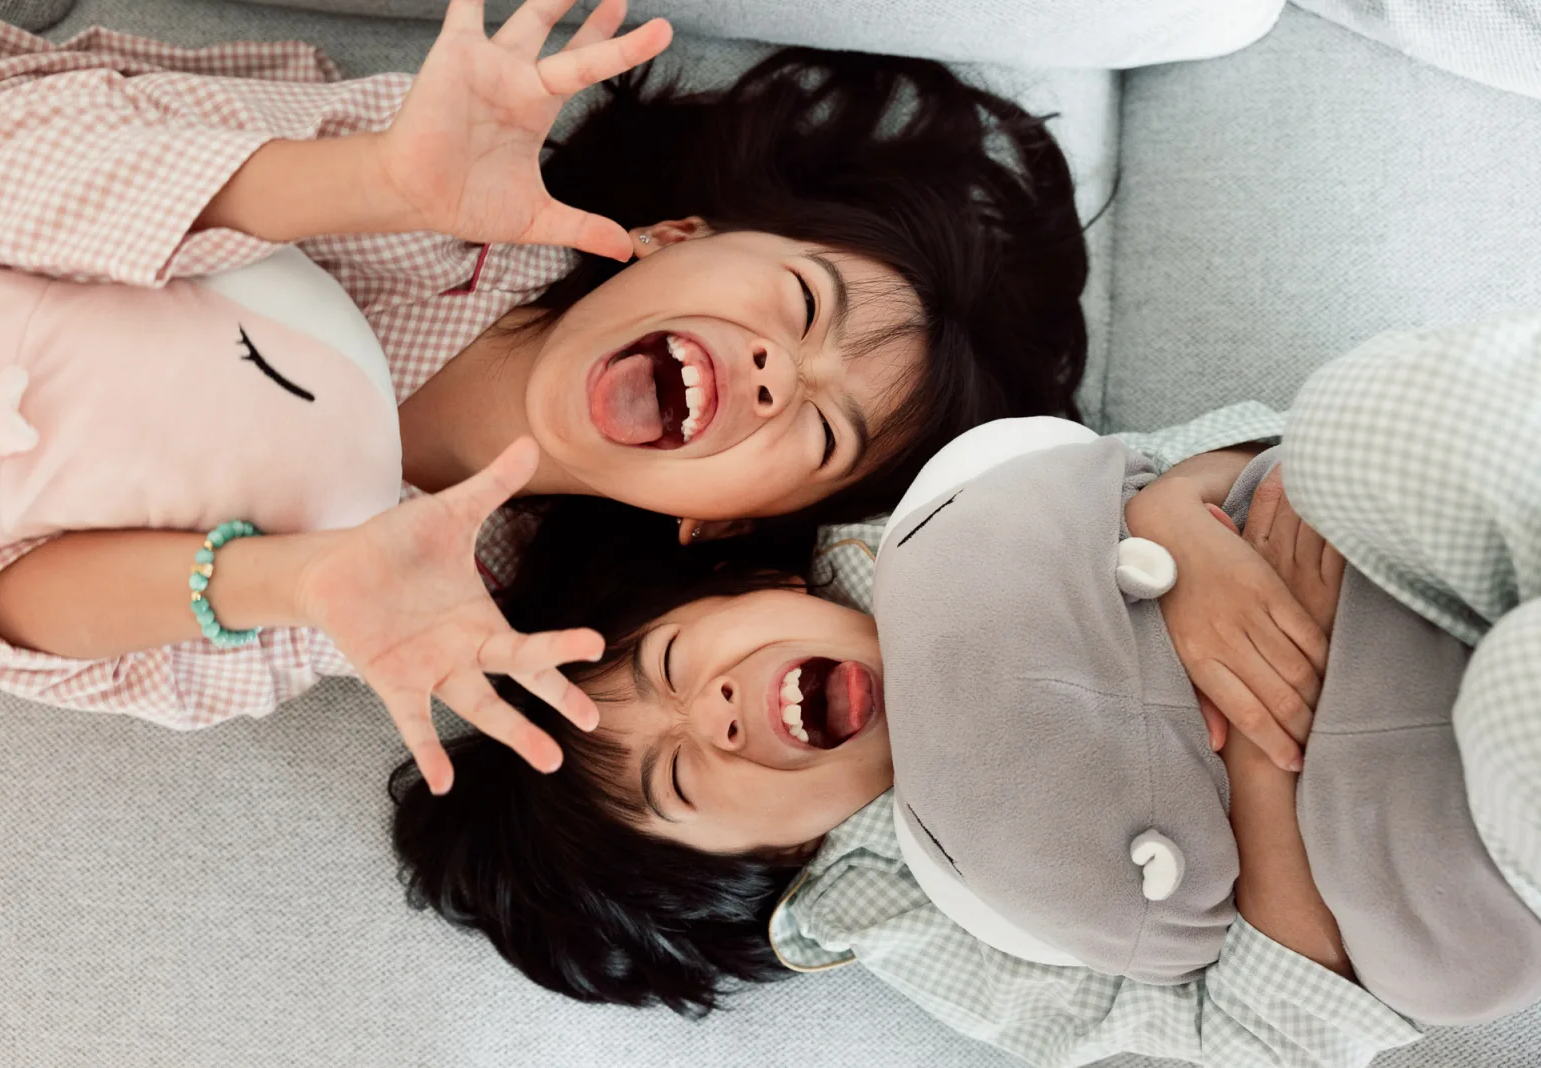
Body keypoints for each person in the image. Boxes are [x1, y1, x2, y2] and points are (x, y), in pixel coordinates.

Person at [0, 0, 1095, 790]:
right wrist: (373, 180)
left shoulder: (458, 606)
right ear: (677, 235)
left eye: (823, 429)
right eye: (799, 304)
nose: (773, 374)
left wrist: (293, 581)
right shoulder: (437, 202)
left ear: (725, 523)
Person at [389, 313, 1541, 1065]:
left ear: (747, 581)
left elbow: (1167, 459)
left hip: (1391, 544)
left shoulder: (915, 535)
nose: (718, 708)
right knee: (1512, 696)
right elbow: (1255, 1032)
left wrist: (1176, 524)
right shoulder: (906, 906)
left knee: (1353, 418)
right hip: (1427, 817)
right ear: (768, 860)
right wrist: (1259, 746)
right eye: (682, 775)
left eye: (679, 663)